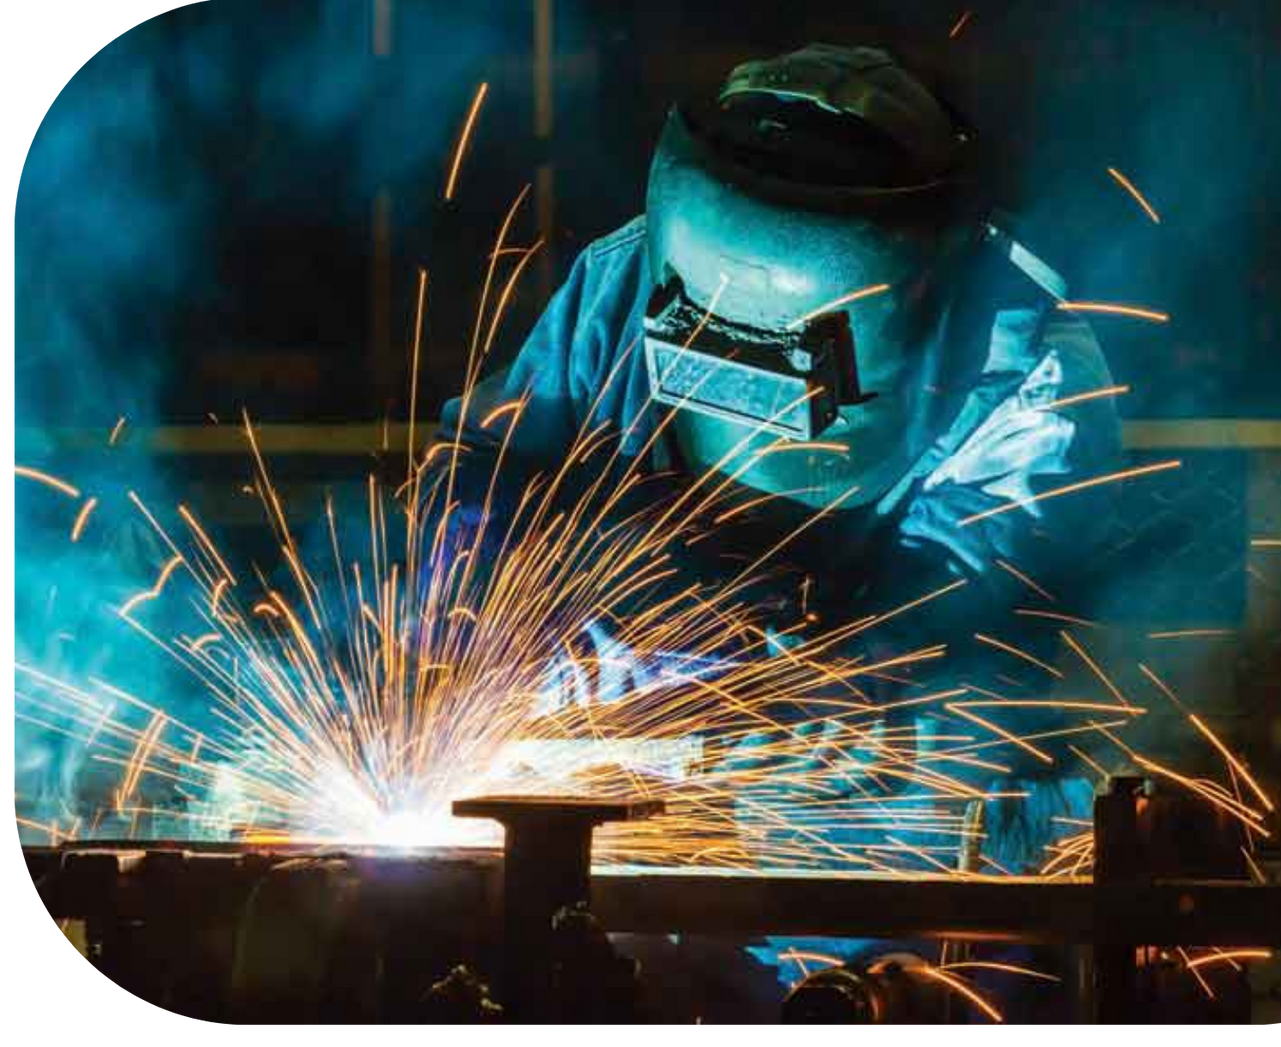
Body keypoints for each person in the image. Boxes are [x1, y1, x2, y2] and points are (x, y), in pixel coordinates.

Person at [431, 44, 1121, 870]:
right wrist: (484, 617)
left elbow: (961, 616)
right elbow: (484, 468)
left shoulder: (1030, 373)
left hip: (894, 813)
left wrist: (786, 686)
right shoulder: (621, 282)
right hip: (634, 789)